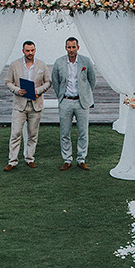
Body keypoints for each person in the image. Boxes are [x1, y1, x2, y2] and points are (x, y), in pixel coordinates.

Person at [3, 39, 52, 170]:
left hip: (35, 104)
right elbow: (8, 82)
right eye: (27, 50)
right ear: (23, 51)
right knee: (15, 133)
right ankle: (12, 161)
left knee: (33, 134)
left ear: (35, 50)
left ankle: (30, 158)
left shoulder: (42, 65)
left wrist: (38, 90)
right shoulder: (15, 65)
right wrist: (16, 90)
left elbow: (48, 82)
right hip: (19, 105)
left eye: (32, 50)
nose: (30, 53)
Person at [51, 36, 97, 170]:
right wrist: (61, 97)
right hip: (66, 101)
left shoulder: (86, 61)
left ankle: (81, 159)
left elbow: (92, 80)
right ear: (66, 48)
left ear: (78, 47)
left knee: (83, 132)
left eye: (73, 47)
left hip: (81, 103)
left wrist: (85, 95)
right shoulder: (59, 62)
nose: (71, 50)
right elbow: (55, 82)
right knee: (64, 132)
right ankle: (67, 159)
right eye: (69, 47)